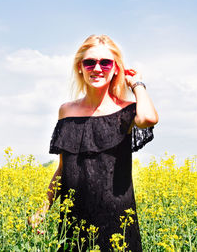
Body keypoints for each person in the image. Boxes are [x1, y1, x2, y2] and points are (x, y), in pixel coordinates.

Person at [28, 34, 158, 251]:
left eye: (106, 63)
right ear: (80, 67)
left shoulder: (127, 110)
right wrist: (43, 210)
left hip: (117, 220)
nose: (97, 68)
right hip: (74, 219)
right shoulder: (66, 111)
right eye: (90, 62)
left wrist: (137, 84)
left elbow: (147, 119)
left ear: (116, 68)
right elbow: (63, 169)